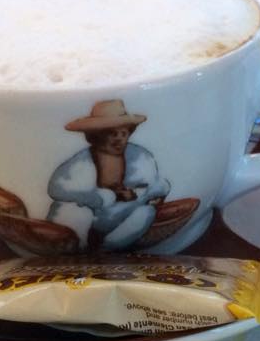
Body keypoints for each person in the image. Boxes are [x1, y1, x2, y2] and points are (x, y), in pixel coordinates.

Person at [46, 99, 170, 250]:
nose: (119, 139)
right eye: (112, 134)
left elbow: (155, 186)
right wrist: (102, 197)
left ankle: (109, 248)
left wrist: (142, 194)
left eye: (123, 133)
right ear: (96, 136)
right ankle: (77, 248)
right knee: (72, 211)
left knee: (146, 212)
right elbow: (57, 189)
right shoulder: (81, 162)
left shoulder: (141, 157)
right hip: (88, 215)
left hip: (122, 214)